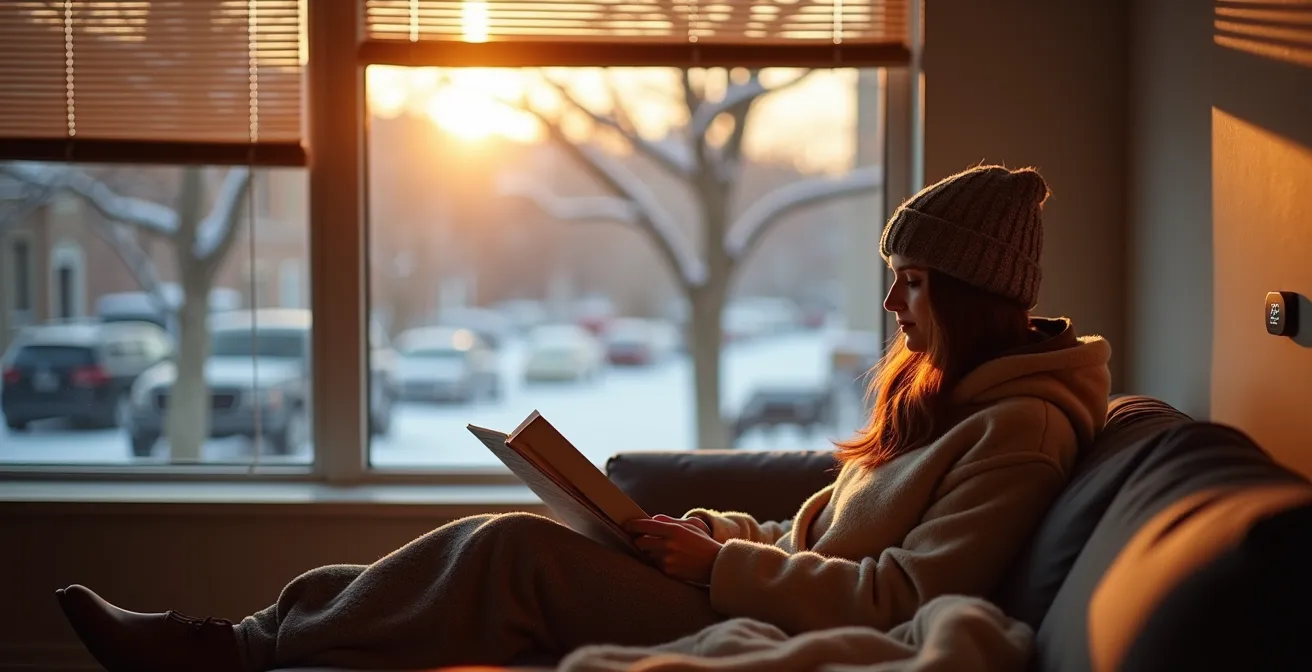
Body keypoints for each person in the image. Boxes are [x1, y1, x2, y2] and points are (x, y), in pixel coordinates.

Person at [53, 164, 1112, 672]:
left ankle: (227, 655)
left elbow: (903, 595)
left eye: (912, 283)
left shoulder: (1016, 432)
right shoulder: (952, 401)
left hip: (810, 630)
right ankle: (244, 641)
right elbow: (821, 532)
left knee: (505, 556)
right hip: (770, 589)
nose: (891, 308)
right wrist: (711, 534)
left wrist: (711, 572)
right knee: (440, 573)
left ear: (970, 295)